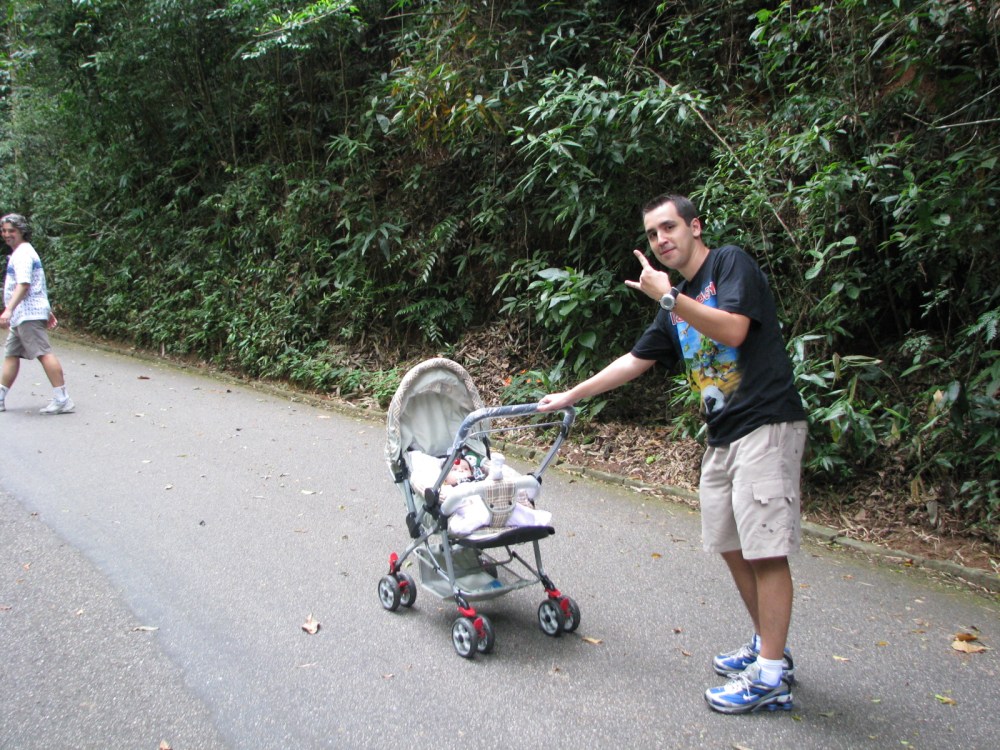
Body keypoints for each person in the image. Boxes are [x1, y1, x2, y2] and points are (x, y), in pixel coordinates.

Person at [538, 194, 807, 714]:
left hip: (766, 423)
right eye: (653, 234)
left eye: (669, 228)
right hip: (723, 435)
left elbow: (733, 327)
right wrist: (571, 394)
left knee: (765, 551)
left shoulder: (729, 263)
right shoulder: (676, 299)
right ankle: (766, 646)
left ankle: (771, 676)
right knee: (732, 544)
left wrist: (668, 299)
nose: (662, 240)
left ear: (694, 227)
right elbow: (633, 361)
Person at [0, 213, 74, 415]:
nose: (7, 235)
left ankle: (62, 399)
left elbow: (24, 284)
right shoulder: (20, 252)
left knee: (43, 352)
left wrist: (8, 309)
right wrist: (46, 309)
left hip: (27, 313)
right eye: (4, 231)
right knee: (11, 354)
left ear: (22, 231)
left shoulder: (23, 253)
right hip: (24, 314)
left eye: (11, 231)